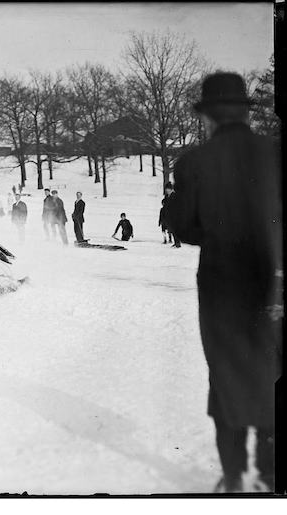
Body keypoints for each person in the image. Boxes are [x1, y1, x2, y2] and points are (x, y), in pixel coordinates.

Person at [169, 72, 282, 493]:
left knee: (226, 375)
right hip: (274, 280)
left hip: (222, 287)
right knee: (273, 369)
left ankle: (233, 477)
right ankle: (271, 476)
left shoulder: (194, 161)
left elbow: (188, 229)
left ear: (208, 116)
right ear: (243, 112)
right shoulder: (274, 152)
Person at [162, 183, 180, 247]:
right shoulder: (167, 196)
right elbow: (165, 203)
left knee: (175, 229)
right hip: (168, 215)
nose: (167, 190)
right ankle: (176, 242)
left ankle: (178, 243)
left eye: (168, 189)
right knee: (172, 229)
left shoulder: (174, 195)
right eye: (166, 189)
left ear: (171, 189)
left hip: (174, 215)